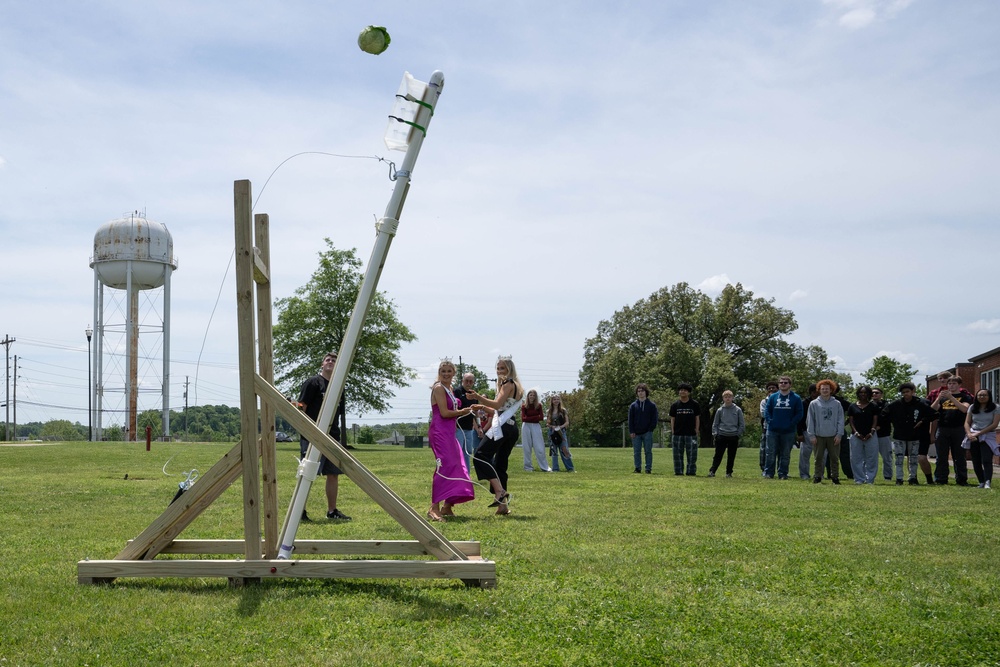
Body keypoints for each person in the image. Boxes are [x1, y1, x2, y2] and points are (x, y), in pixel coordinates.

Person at [297, 352, 351, 521]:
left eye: (334, 360)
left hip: (332, 435)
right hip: (312, 434)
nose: (330, 362)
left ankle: (332, 511)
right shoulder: (313, 382)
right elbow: (301, 406)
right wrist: (306, 430)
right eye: (327, 360)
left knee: (333, 473)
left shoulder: (338, 386)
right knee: (307, 472)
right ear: (322, 364)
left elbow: (338, 414)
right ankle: (299, 511)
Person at [467, 357, 524, 515]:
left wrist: (478, 397)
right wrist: (482, 406)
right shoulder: (517, 386)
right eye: (498, 368)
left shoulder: (508, 384)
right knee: (500, 464)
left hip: (503, 427)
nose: (499, 371)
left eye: (503, 368)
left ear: (510, 369)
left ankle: (499, 492)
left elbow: (497, 405)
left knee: (480, 455)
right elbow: (501, 411)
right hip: (511, 427)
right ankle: (503, 506)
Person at [426, 360, 476, 521]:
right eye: (443, 371)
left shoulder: (450, 389)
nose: (446, 374)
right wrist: (462, 412)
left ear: (454, 373)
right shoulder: (439, 388)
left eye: (449, 371)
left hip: (449, 432)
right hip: (440, 432)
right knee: (443, 467)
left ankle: (448, 505)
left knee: (457, 465)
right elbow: (445, 413)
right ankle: (434, 507)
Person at [881, 382, 936, 485]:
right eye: (903, 392)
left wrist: (922, 421)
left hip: (915, 436)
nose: (905, 394)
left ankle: (913, 478)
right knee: (899, 458)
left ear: (912, 392)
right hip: (899, 435)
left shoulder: (920, 403)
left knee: (914, 459)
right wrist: (894, 421)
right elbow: (883, 415)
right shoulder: (896, 404)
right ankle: (899, 479)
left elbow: (934, 414)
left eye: (907, 391)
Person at [929, 376, 974, 486]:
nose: (951, 385)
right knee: (941, 456)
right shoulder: (943, 398)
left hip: (959, 429)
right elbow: (932, 409)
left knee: (959, 456)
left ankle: (961, 479)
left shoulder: (965, 397)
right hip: (943, 428)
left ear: (959, 385)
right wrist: (938, 398)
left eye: (954, 383)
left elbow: (964, 409)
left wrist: (952, 398)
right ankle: (940, 479)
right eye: (949, 384)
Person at [764, 376, 803, 480]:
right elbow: (767, 411)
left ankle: (783, 473)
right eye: (781, 382)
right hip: (772, 430)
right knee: (770, 452)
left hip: (788, 431)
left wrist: (791, 423)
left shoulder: (796, 398)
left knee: (785, 454)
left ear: (790, 384)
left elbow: (799, 413)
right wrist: (770, 421)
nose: (783, 384)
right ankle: (768, 473)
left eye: (786, 383)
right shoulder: (773, 397)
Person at [806, 379, 844, 484]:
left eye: (827, 389)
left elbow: (840, 419)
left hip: (833, 435)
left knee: (834, 458)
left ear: (831, 390)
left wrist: (839, 434)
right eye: (823, 389)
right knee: (818, 457)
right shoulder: (814, 404)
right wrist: (812, 435)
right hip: (819, 435)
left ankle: (835, 477)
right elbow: (810, 420)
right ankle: (817, 476)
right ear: (819, 390)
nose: (825, 391)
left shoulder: (837, 404)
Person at [964, 389, 1000, 489]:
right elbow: (967, 422)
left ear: (989, 397)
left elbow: (995, 424)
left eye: (984, 395)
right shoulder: (972, 407)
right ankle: (981, 481)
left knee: (986, 459)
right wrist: (969, 434)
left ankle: (988, 481)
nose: (982, 397)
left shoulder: (996, 407)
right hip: (973, 436)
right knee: (976, 460)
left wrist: (979, 433)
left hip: (988, 436)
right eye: (979, 395)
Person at [848, 385, 880, 484]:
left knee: (872, 458)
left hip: (871, 435)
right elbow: (851, 421)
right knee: (856, 458)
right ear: (858, 394)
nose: (863, 394)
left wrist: (871, 432)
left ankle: (870, 479)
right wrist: (856, 433)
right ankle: (859, 479)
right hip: (856, 436)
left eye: (865, 392)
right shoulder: (852, 406)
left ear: (869, 394)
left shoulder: (873, 406)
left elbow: (875, 420)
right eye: (861, 392)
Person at [708, 390, 745, 478]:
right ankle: (712, 471)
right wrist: (715, 434)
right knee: (718, 455)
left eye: (729, 397)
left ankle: (729, 473)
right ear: (723, 398)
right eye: (726, 397)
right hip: (721, 435)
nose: (727, 398)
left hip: (733, 436)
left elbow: (742, 424)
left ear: (732, 398)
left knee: (731, 456)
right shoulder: (720, 410)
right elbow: (715, 423)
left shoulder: (738, 410)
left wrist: (738, 433)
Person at [670, 383, 701, 476]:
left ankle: (691, 471)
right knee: (677, 455)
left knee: (692, 454)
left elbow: (697, 418)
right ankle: (678, 471)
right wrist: (673, 430)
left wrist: (697, 429)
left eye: (684, 390)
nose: (682, 392)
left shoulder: (694, 404)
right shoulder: (675, 405)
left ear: (688, 392)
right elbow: (672, 418)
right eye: (681, 390)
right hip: (678, 433)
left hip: (691, 433)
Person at [453, 372, 482, 472]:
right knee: (458, 452)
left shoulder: (474, 395)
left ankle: (467, 475)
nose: (468, 383)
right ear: (462, 381)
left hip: (469, 428)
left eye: (471, 381)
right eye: (466, 381)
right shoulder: (457, 391)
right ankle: (458, 474)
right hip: (458, 427)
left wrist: (479, 426)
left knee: (468, 452)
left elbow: (476, 412)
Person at [629, 383, 658, 474]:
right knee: (636, 452)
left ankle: (648, 468)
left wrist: (650, 430)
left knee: (648, 451)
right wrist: (632, 431)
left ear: (646, 392)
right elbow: (630, 419)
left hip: (647, 432)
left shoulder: (652, 405)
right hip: (636, 433)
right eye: (639, 391)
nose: (640, 393)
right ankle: (637, 468)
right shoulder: (633, 406)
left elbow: (654, 418)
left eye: (642, 391)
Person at [521, 389, 552, 472]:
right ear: (528, 396)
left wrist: (530, 418)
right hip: (526, 427)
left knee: (539, 447)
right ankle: (528, 467)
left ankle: (545, 467)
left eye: (534, 395)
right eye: (530, 395)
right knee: (526, 447)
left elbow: (541, 417)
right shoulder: (524, 406)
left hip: (536, 426)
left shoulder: (539, 405)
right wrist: (535, 417)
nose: (532, 397)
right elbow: (523, 419)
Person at [547, 394, 575, 472]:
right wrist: (552, 426)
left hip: (561, 431)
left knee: (564, 449)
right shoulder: (549, 411)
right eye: (554, 399)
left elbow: (567, 422)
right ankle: (555, 469)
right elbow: (547, 423)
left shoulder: (563, 410)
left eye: (558, 399)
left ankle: (570, 468)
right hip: (552, 432)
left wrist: (561, 427)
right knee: (554, 451)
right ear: (552, 401)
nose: (556, 401)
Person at [871, 387, 894, 481]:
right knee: (870, 457)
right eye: (872, 393)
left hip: (883, 434)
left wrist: (879, 425)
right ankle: (868, 476)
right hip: (870, 435)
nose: (874, 394)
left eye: (877, 393)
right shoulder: (868, 405)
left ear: (881, 394)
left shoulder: (887, 405)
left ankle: (888, 477)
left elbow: (888, 418)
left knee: (887, 457)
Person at [796, 384, 819, 480]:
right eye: (813, 392)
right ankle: (804, 474)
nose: (815, 394)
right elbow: (799, 419)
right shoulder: (804, 403)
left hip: (820, 433)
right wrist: (800, 434)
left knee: (821, 455)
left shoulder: (823, 403)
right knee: (804, 455)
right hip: (806, 432)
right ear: (810, 393)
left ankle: (818, 474)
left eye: (817, 392)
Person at [759, 381, 779, 472]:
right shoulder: (764, 401)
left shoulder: (781, 400)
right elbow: (763, 414)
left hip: (780, 428)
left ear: (777, 389)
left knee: (780, 450)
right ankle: (764, 469)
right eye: (769, 388)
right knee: (765, 450)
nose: (771, 389)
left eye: (773, 388)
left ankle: (780, 469)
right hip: (767, 428)